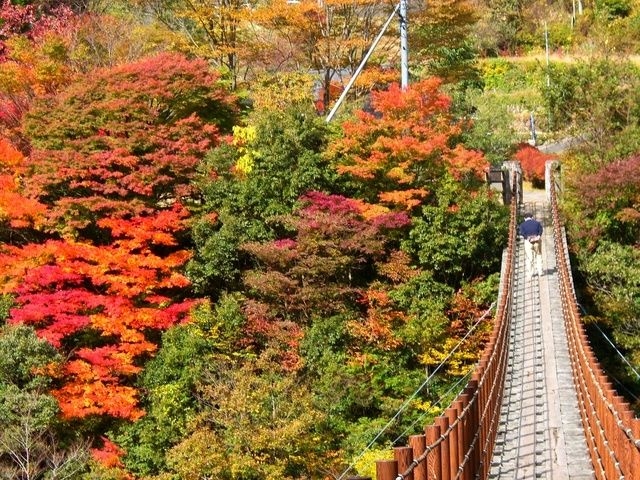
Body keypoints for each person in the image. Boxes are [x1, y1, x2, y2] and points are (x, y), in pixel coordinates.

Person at [519, 213, 543, 278]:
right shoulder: (537, 223)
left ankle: (530, 273)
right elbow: (541, 230)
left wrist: (527, 238)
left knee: (529, 258)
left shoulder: (522, 225)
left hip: (528, 242)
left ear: (524, 218)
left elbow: (522, 233)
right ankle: (540, 271)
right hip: (537, 241)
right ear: (532, 217)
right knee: (538, 255)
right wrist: (538, 236)